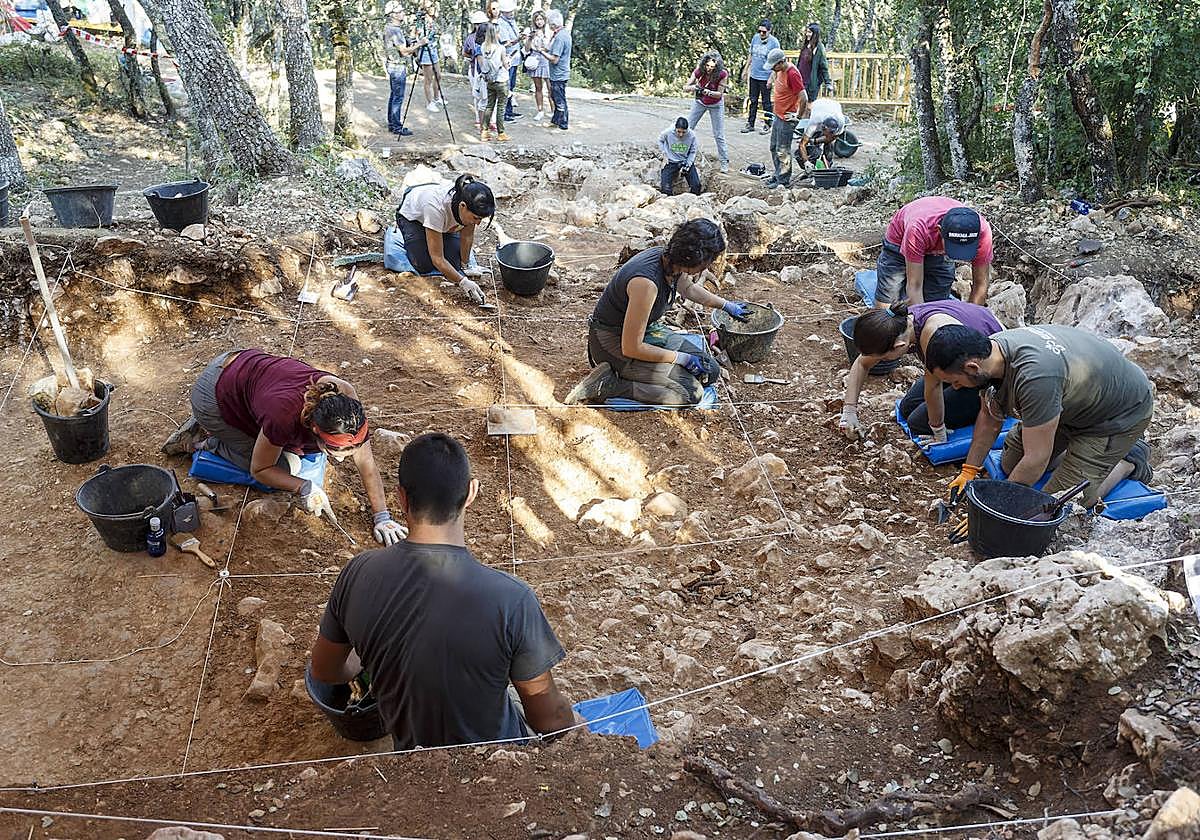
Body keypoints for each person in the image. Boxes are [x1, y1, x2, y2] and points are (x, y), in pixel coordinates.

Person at [310, 433, 576, 749]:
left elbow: (325, 670)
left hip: (416, 765)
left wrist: (368, 660)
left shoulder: (357, 574)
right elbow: (551, 722)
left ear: (402, 498)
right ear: (471, 493)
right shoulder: (512, 599)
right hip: (500, 770)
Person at [161, 351, 406, 546]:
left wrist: (382, 516)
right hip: (213, 397)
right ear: (313, 428)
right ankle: (204, 440)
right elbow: (260, 469)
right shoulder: (283, 416)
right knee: (285, 468)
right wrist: (304, 487)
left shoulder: (346, 403)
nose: (341, 462)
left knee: (293, 456)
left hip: (241, 369)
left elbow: (367, 463)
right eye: (335, 453)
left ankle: (226, 431)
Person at [926, 324, 1155, 510]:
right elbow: (989, 414)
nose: (955, 388)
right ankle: (1077, 453)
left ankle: (1130, 459)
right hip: (1069, 404)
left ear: (972, 368)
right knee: (1010, 463)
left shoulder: (1035, 377)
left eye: (955, 381)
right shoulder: (990, 351)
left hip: (1114, 416)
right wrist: (970, 470)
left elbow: (1036, 458)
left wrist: (999, 504)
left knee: (1058, 502)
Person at [564, 219, 750, 407]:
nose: (706, 268)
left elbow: (689, 289)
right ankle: (611, 385)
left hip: (647, 332)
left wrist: (727, 305)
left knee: (710, 371)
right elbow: (631, 348)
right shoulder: (646, 284)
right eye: (705, 264)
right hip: (614, 343)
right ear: (691, 259)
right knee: (690, 393)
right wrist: (681, 359)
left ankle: (650, 374)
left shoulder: (672, 262)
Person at [838, 300, 1003, 441]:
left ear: (899, 346)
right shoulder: (898, 322)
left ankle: (993, 407)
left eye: (884, 358)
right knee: (906, 408)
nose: (881, 361)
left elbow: (933, 387)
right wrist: (849, 411)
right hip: (954, 367)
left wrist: (938, 431)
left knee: (918, 423)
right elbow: (862, 363)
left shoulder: (933, 337)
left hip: (983, 375)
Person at [875, 197, 993, 308]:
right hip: (899, 241)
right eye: (954, 247)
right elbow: (914, 286)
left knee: (937, 302)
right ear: (940, 231)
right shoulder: (918, 229)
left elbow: (981, 284)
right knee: (889, 298)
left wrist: (970, 323)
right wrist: (921, 321)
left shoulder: (982, 231)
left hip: (935, 248)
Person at [394, 175, 492, 304]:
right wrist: (463, 282)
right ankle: (421, 233)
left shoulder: (471, 206)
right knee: (424, 264)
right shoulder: (435, 207)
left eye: (481, 219)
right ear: (463, 206)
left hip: (439, 219)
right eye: (475, 218)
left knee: (454, 263)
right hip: (413, 216)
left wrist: (465, 265)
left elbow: (467, 236)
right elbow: (437, 258)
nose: (478, 223)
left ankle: (437, 232)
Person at [764, 47, 806, 189]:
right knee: (774, 147)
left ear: (781, 62)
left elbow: (803, 97)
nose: (773, 69)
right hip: (778, 114)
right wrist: (771, 79)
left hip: (787, 118)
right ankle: (778, 175)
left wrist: (798, 116)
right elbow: (774, 74)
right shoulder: (779, 71)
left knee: (783, 150)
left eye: (774, 66)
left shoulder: (792, 74)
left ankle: (783, 180)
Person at [684, 51, 730, 174]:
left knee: (718, 134)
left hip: (716, 104)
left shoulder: (722, 74)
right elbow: (685, 87)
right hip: (700, 102)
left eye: (712, 67)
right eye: (707, 66)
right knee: (688, 127)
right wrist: (694, 88)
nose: (709, 69)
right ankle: (683, 154)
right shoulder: (699, 71)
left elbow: (720, 94)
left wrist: (708, 92)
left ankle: (724, 161)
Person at [383, 4, 421, 137]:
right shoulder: (394, 30)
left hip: (393, 65)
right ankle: (397, 127)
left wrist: (412, 40)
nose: (403, 13)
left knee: (394, 95)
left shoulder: (392, 28)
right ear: (393, 15)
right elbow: (404, 52)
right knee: (398, 97)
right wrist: (420, 43)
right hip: (397, 66)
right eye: (400, 11)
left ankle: (392, 124)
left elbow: (401, 45)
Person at [741, 19, 778, 135]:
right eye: (760, 31)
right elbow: (751, 54)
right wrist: (746, 69)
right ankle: (750, 123)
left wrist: (771, 78)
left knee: (766, 102)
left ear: (769, 31)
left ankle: (767, 124)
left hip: (765, 76)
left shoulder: (774, 43)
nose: (761, 34)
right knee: (753, 100)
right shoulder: (755, 38)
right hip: (754, 75)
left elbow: (776, 62)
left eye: (764, 32)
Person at [538, 9, 571, 130]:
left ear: (553, 24)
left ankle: (563, 123)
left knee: (559, 99)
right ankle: (556, 120)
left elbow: (554, 59)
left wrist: (541, 52)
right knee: (555, 96)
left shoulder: (560, 37)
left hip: (559, 73)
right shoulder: (563, 34)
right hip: (559, 72)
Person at [478, 23, 511, 142]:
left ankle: (485, 131)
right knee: (501, 107)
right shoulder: (501, 48)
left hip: (490, 80)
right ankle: (501, 133)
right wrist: (508, 61)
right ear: (496, 33)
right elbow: (506, 66)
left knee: (489, 105)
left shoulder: (483, 47)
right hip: (501, 80)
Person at [797, 96, 846, 170]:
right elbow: (802, 144)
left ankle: (826, 167)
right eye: (828, 133)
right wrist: (806, 162)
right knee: (813, 148)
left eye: (832, 132)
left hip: (834, 105)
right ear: (822, 128)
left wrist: (816, 140)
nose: (830, 135)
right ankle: (811, 167)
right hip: (818, 105)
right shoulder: (814, 123)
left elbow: (832, 138)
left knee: (829, 145)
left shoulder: (840, 122)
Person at [659, 117, 701, 196]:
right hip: (670, 161)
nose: (681, 134)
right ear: (675, 128)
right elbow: (660, 140)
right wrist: (664, 154)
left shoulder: (692, 135)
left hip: (685, 161)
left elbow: (693, 151)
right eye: (678, 132)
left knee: (696, 186)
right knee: (665, 188)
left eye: (683, 132)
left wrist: (688, 164)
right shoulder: (668, 132)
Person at [495, 0, 522, 121]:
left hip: (515, 58)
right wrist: (519, 39)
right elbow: (506, 43)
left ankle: (509, 110)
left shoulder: (512, 21)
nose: (511, 13)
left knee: (512, 85)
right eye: (508, 11)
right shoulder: (500, 23)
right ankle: (503, 112)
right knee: (506, 85)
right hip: (507, 58)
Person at [463, 12, 490, 132]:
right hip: (475, 70)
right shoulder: (470, 38)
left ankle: (490, 120)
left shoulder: (491, 37)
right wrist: (471, 57)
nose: (479, 26)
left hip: (489, 71)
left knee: (490, 95)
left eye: (481, 24)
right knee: (477, 94)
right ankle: (478, 120)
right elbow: (465, 52)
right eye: (477, 24)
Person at [524, 9, 552, 123]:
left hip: (546, 58)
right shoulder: (530, 31)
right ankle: (540, 110)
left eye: (541, 19)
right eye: (537, 19)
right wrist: (530, 38)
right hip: (535, 59)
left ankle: (554, 110)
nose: (539, 22)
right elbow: (526, 49)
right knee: (538, 87)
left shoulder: (549, 31)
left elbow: (550, 46)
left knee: (551, 87)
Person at [415, 4, 442, 112]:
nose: (433, 9)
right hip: (426, 52)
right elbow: (419, 37)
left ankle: (436, 98)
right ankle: (429, 102)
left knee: (438, 75)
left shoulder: (433, 21)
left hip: (434, 50)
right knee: (428, 79)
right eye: (430, 7)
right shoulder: (421, 22)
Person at [799, 22, 832, 102]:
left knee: (809, 105)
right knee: (800, 103)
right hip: (801, 80)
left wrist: (828, 82)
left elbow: (824, 66)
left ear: (815, 34)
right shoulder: (806, 45)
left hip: (810, 82)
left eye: (809, 32)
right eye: (807, 32)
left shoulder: (819, 48)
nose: (807, 34)